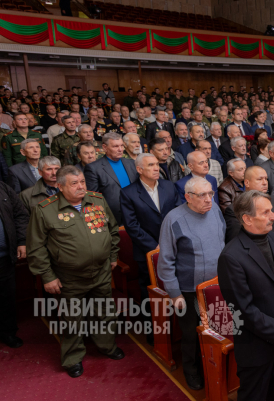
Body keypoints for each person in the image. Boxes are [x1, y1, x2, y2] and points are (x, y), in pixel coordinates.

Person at [27, 166, 123, 378]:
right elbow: (36, 247)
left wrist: (112, 256)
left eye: (82, 182)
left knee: (104, 313)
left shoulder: (97, 201)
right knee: (72, 320)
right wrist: (48, 276)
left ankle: (107, 346)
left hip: (101, 273)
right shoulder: (45, 210)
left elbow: (112, 230)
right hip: (68, 277)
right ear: (60, 186)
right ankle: (72, 358)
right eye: (74, 183)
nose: (81, 187)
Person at [217, 190, 274, 400]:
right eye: (266, 212)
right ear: (247, 219)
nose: (273, 216)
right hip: (256, 346)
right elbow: (243, 310)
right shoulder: (231, 257)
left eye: (272, 210)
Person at [158, 176, 226, 390]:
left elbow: (222, 240)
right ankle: (192, 370)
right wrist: (174, 293)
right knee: (191, 334)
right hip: (188, 290)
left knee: (217, 329)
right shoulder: (174, 219)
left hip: (217, 286)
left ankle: (215, 368)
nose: (208, 199)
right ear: (188, 197)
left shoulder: (215, 209)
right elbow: (166, 260)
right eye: (202, 195)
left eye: (211, 193)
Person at [120, 153, 182, 319]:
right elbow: (132, 226)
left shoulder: (168, 186)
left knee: (175, 285)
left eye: (157, 164)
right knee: (150, 290)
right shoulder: (128, 193)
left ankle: (175, 324)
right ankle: (151, 326)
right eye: (151, 165)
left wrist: (170, 241)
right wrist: (154, 246)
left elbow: (179, 214)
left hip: (173, 247)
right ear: (139, 169)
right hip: (146, 250)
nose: (156, 168)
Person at [223, 166, 274, 252]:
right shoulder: (235, 208)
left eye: (266, 179)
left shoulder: (273, 200)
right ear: (247, 183)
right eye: (259, 179)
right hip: (253, 254)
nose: (265, 183)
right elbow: (236, 241)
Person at [85, 133, 138, 225]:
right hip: (112, 218)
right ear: (105, 147)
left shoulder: (132, 163)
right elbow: (93, 198)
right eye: (115, 146)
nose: (120, 149)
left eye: (122, 145)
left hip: (136, 214)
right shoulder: (93, 168)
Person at [0, 180, 29, 348]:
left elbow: (20, 215)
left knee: (6, 296)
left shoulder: (3, 188)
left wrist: (22, 241)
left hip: (4, 256)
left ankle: (8, 333)